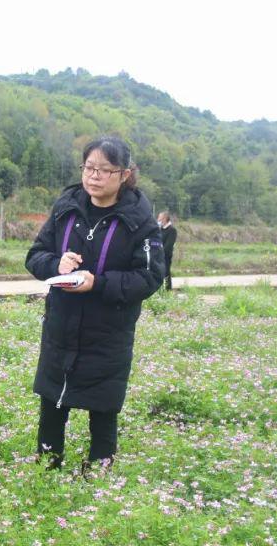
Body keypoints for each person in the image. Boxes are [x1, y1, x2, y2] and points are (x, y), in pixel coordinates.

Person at [25, 135, 164, 472]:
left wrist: (97, 283)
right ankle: (47, 470)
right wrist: (56, 264)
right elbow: (35, 255)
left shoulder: (140, 221)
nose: (94, 176)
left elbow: (149, 277)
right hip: (61, 328)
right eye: (89, 167)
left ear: (125, 174)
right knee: (52, 405)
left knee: (103, 411)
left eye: (105, 170)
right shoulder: (66, 208)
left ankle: (99, 479)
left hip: (108, 334)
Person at [158, 211, 178, 290]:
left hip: (166, 256)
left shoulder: (172, 230)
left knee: (166, 273)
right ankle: (160, 290)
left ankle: (167, 290)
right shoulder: (160, 229)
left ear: (165, 219)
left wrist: (160, 252)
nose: (158, 219)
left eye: (159, 218)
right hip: (158, 256)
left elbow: (168, 245)